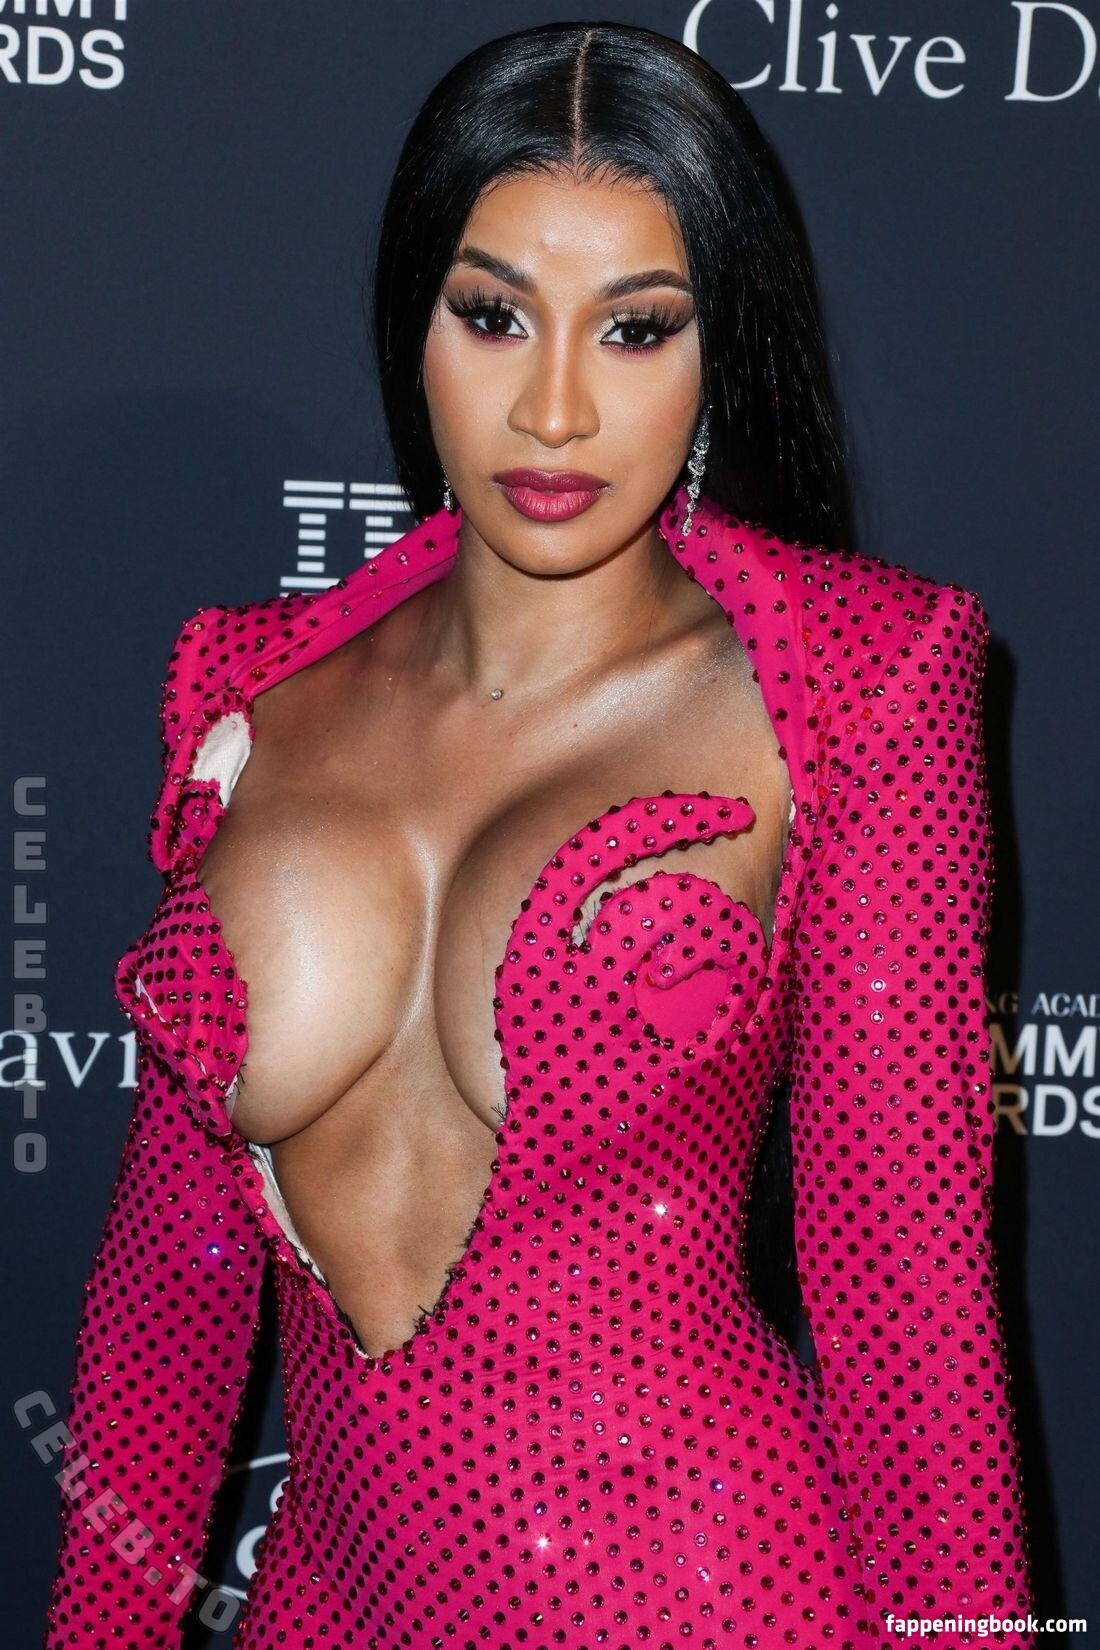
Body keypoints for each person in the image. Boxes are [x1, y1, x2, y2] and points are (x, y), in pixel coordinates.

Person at [43, 21, 1035, 1649]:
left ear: (718, 348)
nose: (556, 408)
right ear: (414, 323)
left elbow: (906, 1305)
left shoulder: (859, 681)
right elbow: (172, 1293)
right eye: (493, 314)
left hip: (714, 1604)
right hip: (329, 1609)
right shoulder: (245, 695)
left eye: (637, 329)